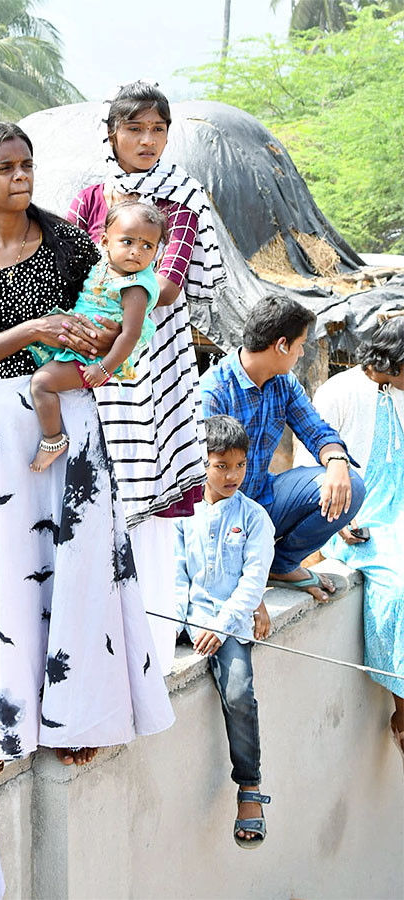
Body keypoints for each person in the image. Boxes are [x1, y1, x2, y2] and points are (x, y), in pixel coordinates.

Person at [0, 121, 174, 767]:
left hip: (67, 414)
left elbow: (115, 302)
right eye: (6, 168)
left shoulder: (65, 240)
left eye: (27, 164)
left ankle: (76, 716)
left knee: (76, 561)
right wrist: (34, 327)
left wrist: (98, 345)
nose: (22, 177)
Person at [67, 80, 226, 675]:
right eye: (134, 128)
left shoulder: (181, 198)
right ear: (112, 132)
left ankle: (148, 658)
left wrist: (109, 306)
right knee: (88, 500)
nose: (146, 140)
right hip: (91, 357)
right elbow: (66, 269)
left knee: (150, 519)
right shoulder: (89, 198)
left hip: (151, 367)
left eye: (157, 129)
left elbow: (169, 282)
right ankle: (90, 661)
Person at [200, 294, 366, 603]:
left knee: (351, 486)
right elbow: (204, 484)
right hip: (219, 516)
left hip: (264, 499)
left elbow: (317, 431)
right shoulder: (214, 390)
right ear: (281, 345)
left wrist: (338, 462)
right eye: (300, 344)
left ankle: (281, 565)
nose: (302, 353)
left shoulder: (283, 383)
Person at [296, 317, 404, 763]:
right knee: (397, 585)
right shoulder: (337, 393)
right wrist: (338, 522)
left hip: (399, 515)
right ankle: (403, 709)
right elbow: (310, 471)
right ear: (394, 361)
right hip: (354, 521)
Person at [174, 415, 274, 848]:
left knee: (237, 692)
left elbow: (252, 582)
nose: (231, 475)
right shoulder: (181, 512)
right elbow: (176, 573)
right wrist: (175, 623)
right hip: (186, 621)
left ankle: (249, 787)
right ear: (202, 463)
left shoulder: (255, 519)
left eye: (239, 465)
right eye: (221, 465)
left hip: (229, 627)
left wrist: (221, 626)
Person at [28, 201, 166, 472]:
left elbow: (130, 335)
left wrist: (103, 369)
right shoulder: (104, 265)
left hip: (94, 357)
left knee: (41, 384)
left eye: (147, 246)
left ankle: (53, 439)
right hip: (77, 343)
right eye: (128, 242)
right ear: (105, 241)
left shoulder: (135, 287)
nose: (136, 252)